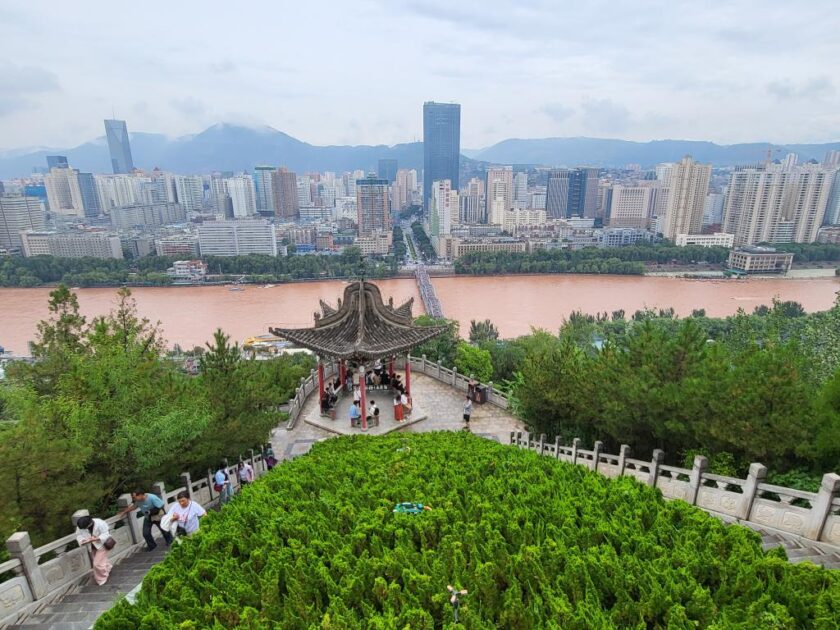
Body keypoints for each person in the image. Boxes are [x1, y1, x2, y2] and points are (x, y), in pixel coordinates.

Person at [75, 515, 112, 585]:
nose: (83, 529)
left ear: (90, 523)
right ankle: (108, 568)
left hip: (102, 544)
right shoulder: (81, 526)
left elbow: (106, 534)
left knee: (97, 563)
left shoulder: (100, 523)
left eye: (85, 527)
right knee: (100, 561)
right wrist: (82, 540)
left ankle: (102, 579)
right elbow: (78, 535)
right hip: (91, 546)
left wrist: (97, 538)